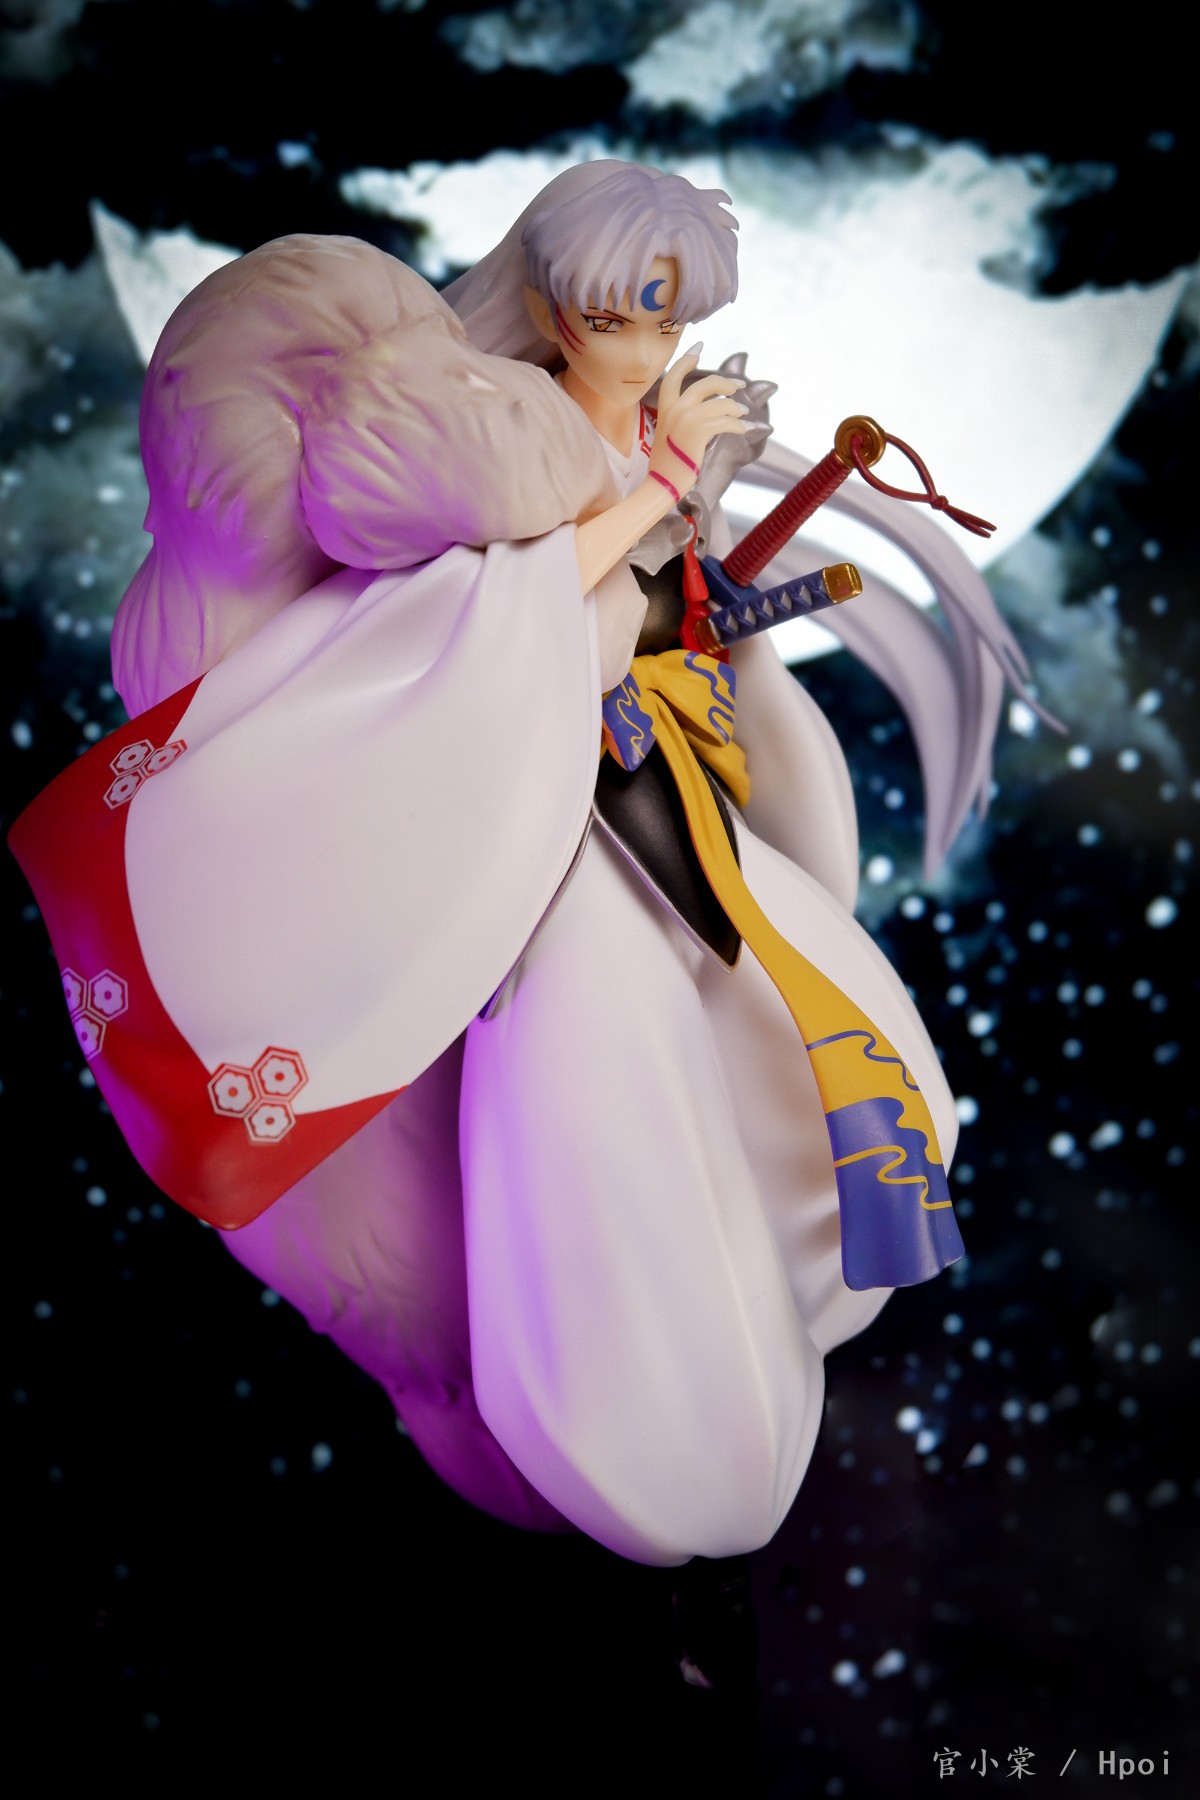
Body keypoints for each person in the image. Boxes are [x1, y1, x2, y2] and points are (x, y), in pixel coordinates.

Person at [11, 161, 1034, 1567]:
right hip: (543, 838)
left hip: (650, 796)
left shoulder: (625, 430)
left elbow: (652, 603)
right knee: (599, 1101)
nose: (651, 351)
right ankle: (634, 1414)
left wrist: (700, 561)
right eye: (625, 319)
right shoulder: (497, 435)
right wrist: (658, 494)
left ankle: (749, 1321)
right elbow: (518, 613)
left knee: (799, 1032)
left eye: (670, 322)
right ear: (558, 308)